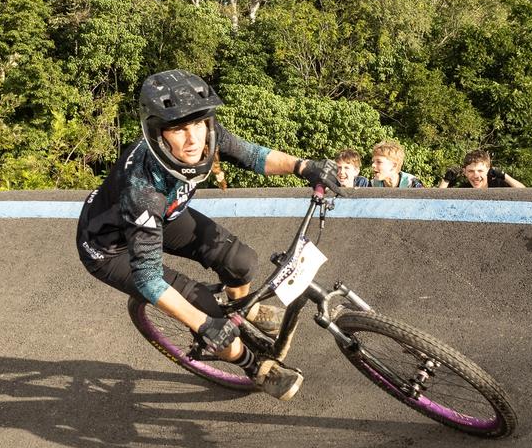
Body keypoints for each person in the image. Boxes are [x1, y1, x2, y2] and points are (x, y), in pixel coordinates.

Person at [76, 69, 341, 401]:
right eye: (179, 130)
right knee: (208, 316)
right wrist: (204, 325)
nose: (193, 140)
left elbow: (254, 156)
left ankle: (248, 311)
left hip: (166, 214)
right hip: (110, 248)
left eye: (198, 125)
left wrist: (303, 166)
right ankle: (256, 367)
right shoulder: (142, 189)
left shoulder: (205, 133)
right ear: (157, 133)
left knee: (240, 261)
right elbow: (148, 278)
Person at [438, 149, 525, 189]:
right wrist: (446, 180)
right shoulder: (464, 190)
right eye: (471, 171)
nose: (476, 175)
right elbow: (437, 203)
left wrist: (504, 176)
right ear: (465, 172)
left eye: (480, 171)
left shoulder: (498, 185)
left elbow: (525, 194)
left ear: (488, 170)